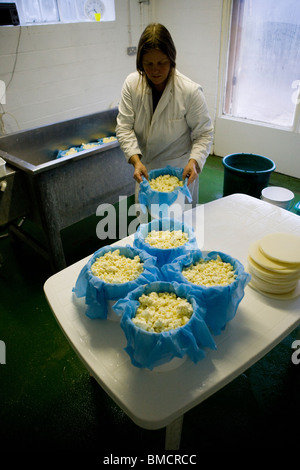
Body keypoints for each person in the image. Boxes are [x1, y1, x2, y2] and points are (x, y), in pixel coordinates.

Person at [116, 23, 213, 207]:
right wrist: (136, 161)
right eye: (148, 64)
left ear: (171, 59)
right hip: (146, 170)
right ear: (140, 63)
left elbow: (204, 134)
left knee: (179, 230)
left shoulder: (189, 91)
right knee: (150, 229)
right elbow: (124, 127)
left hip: (179, 174)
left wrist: (194, 163)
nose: (155, 70)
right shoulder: (132, 85)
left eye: (162, 63)